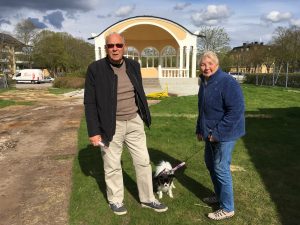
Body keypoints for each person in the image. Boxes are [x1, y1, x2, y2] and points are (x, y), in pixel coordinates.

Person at [84, 32, 168, 215]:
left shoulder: (133, 65)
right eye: (111, 46)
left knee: (144, 162)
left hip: (134, 122)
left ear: (124, 46)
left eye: (118, 45)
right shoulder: (95, 69)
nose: (115, 49)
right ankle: (115, 200)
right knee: (112, 165)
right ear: (106, 48)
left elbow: (138, 92)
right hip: (109, 126)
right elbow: (89, 102)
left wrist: (143, 114)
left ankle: (148, 199)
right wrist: (93, 131)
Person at [195, 51, 245, 220]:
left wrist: (218, 133)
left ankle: (228, 207)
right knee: (210, 164)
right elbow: (202, 109)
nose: (206, 67)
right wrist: (200, 129)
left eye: (210, 63)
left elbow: (236, 111)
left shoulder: (227, 82)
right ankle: (219, 196)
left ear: (217, 64)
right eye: (203, 64)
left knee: (221, 167)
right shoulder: (204, 82)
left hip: (226, 133)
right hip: (209, 133)